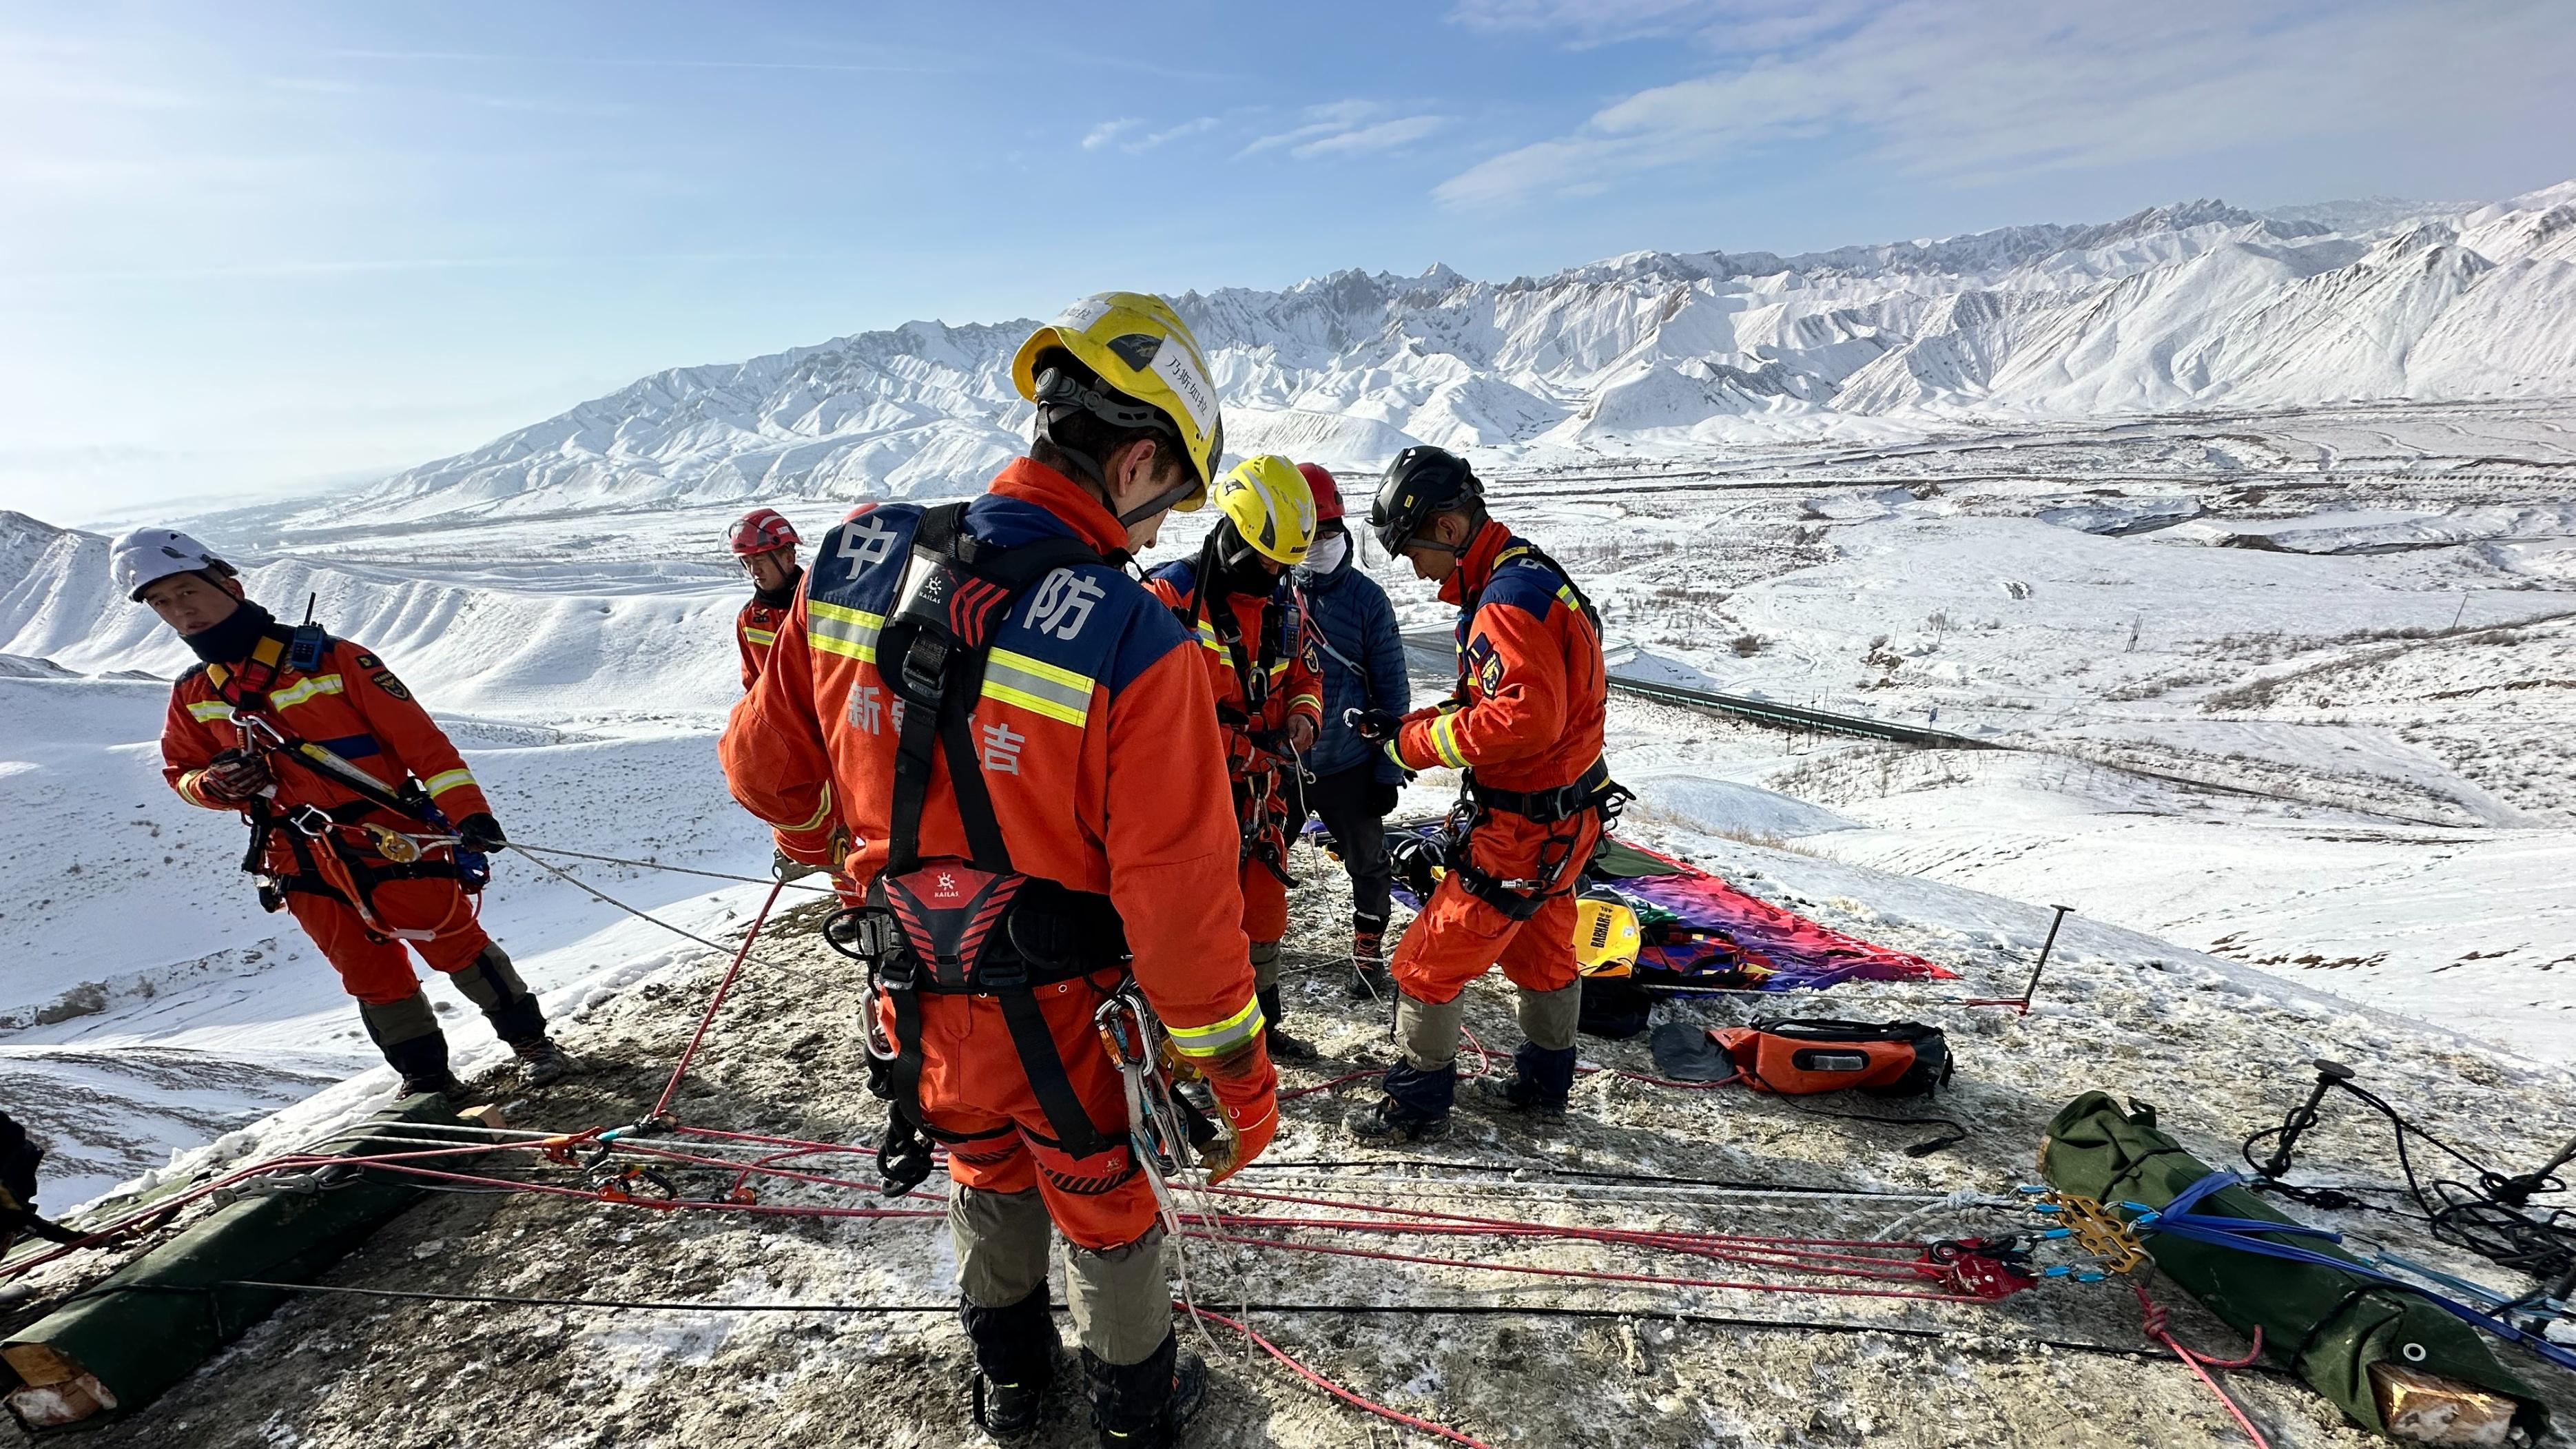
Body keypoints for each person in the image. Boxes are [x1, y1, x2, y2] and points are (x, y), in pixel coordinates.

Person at [720, 292, 1277, 1448]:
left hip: (913, 995)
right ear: (1135, 460)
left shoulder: (854, 558)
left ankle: (1012, 1387)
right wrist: (1237, 1075)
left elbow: (764, 774)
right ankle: (1133, 1412)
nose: (1154, 534)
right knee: (1104, 1203)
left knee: (980, 1167)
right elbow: (1178, 909)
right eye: (1165, 500)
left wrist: (850, 850)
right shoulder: (1137, 641)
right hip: (1066, 1021)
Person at [120, 529, 574, 1098]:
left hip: (389, 835)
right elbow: (181, 775)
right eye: (161, 602)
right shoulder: (192, 693)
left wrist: (469, 813)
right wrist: (214, 784)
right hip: (296, 855)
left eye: (187, 591)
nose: (179, 610)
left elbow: (424, 746)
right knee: (367, 973)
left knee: (455, 943)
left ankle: (533, 1045)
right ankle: (428, 1081)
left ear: (230, 586)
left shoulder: (335, 660)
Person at [1342, 446, 1617, 1144]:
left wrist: (1412, 747)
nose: (1418, 570)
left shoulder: (1504, 603)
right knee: (1542, 953)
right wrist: (1407, 726)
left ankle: (1416, 1106)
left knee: (1424, 965)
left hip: (1521, 832)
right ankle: (1543, 1086)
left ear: (1448, 527)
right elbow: (1499, 699)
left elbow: (1523, 719)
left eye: (1414, 552)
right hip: (1566, 820)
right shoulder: (1531, 577)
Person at [1142, 454, 1323, 1065]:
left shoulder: (1286, 606)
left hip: (1260, 799)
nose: (1275, 574)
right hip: (1191, 798)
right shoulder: (1169, 599)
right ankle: (1178, 1041)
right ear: (1235, 538)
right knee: (1190, 922)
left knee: (1263, 915)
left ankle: (1260, 1029)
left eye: (1283, 565)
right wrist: (1240, 749)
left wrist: (1303, 716)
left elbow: (1305, 675)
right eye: (1267, 561)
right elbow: (1157, 718)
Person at [1282, 462, 1410, 1002]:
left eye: (1328, 531)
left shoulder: (1367, 601)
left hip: (1350, 764)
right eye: (1310, 534)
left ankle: (1367, 950)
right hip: (1283, 764)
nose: (1320, 543)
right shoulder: (1275, 591)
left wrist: (1386, 771)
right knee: (1258, 861)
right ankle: (1253, 949)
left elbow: (1392, 693)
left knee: (1369, 863)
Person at [729, 507, 803, 692]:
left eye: (760, 560)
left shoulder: (818, 606)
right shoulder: (748, 618)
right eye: (747, 562)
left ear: (789, 559)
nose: (754, 571)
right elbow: (753, 686)